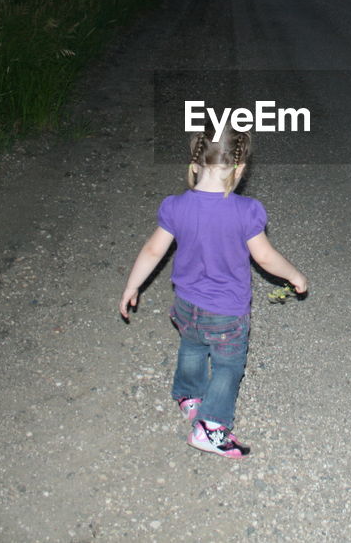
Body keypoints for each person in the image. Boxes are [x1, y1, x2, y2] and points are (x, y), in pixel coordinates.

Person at [118, 126, 308, 458]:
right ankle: (211, 427)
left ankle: (190, 398)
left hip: (186, 304)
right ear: (240, 170)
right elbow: (264, 256)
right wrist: (294, 275)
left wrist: (132, 286)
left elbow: (152, 251)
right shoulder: (246, 211)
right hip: (226, 313)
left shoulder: (175, 206)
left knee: (192, 347)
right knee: (227, 366)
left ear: (195, 165)